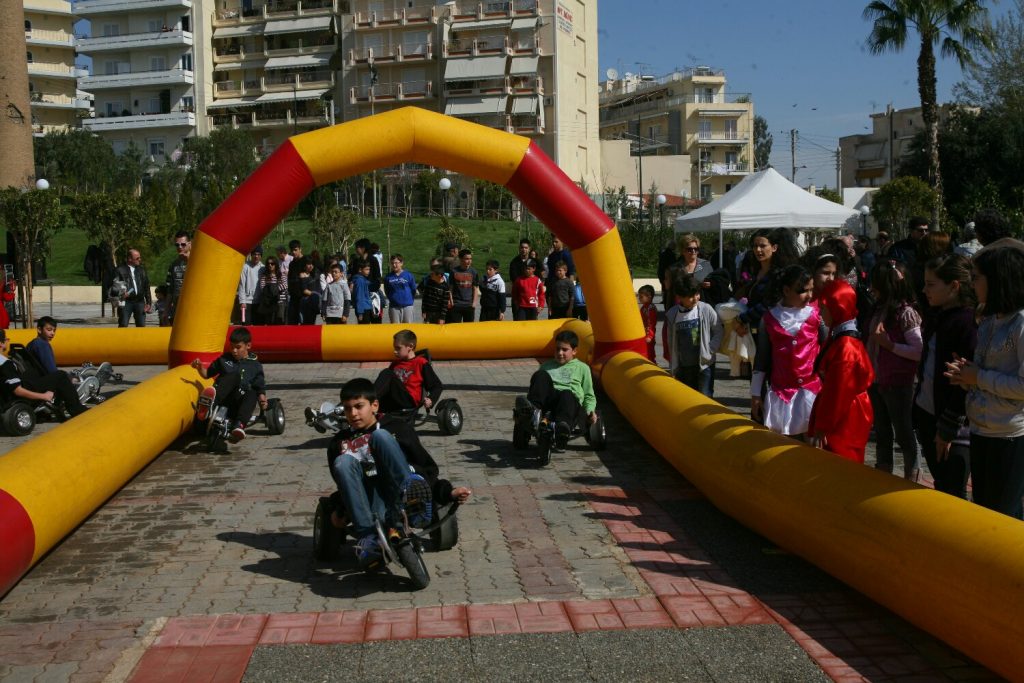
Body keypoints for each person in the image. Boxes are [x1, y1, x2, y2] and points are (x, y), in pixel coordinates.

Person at [326, 377, 472, 566]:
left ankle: (412, 501)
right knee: (343, 461)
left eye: (359, 406)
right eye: (347, 408)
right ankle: (369, 538)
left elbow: (426, 468)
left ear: (374, 405)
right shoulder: (339, 443)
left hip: (399, 492)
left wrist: (447, 492)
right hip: (369, 500)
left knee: (380, 436)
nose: (353, 413)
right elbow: (344, 486)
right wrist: (338, 511)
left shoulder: (397, 428)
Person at [946, 246, 1024, 519]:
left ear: (998, 279)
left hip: (1010, 434)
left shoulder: (1021, 324)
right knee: (986, 510)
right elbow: (986, 372)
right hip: (981, 430)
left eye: (977, 277)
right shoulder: (990, 321)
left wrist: (978, 376)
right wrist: (966, 375)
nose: (972, 283)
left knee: (1005, 515)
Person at [914, 254, 975, 499]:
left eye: (931, 284)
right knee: (943, 486)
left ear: (954, 286)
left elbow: (963, 383)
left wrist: (948, 428)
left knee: (953, 491)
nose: (924, 290)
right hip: (929, 415)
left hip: (952, 427)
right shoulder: (938, 316)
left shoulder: (966, 323)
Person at [750, 265, 824, 437]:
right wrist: (755, 394)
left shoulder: (816, 316)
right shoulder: (769, 319)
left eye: (812, 290)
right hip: (781, 395)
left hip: (811, 393)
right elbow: (761, 359)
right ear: (786, 290)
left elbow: (827, 351)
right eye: (804, 291)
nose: (810, 296)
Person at [866, 260, 923, 480]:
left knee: (904, 432)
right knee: (881, 430)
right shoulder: (878, 309)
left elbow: (918, 350)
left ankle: (912, 475)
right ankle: (883, 472)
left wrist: (889, 345)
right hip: (877, 380)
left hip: (899, 382)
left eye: (876, 284)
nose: (871, 288)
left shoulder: (906, 313)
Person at [808, 279, 874, 463]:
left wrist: (823, 426)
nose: (821, 313)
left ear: (836, 308)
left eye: (824, 308)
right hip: (844, 408)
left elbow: (838, 391)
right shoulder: (840, 337)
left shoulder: (846, 347)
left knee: (841, 458)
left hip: (846, 414)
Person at [191, 327, 267, 443]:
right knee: (234, 376)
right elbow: (207, 374)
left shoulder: (255, 366)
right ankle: (209, 407)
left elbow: (259, 386)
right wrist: (200, 367)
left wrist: (263, 400)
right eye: (232, 347)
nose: (234, 351)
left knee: (252, 392)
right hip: (222, 398)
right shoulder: (224, 359)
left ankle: (239, 426)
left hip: (237, 403)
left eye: (238, 347)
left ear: (248, 346)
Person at [527, 330, 597, 446]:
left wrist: (590, 412)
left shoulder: (582, 368)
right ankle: (533, 412)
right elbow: (538, 388)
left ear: (574, 351)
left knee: (567, 393)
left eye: (564, 350)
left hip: (569, 403)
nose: (560, 353)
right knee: (540, 375)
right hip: (548, 402)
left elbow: (589, 395)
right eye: (557, 349)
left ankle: (562, 429)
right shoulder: (546, 366)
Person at [0, 329, 87, 418]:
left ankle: (55, 404)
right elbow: (18, 391)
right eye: (6, 339)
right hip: (18, 397)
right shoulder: (5, 364)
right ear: (1, 343)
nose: (8, 341)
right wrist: (43, 396)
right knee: (60, 375)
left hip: (6, 395)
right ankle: (76, 410)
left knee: (33, 374)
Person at [663, 275, 724, 398]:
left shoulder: (706, 309)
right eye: (690, 296)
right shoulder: (673, 315)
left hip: (705, 365)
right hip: (684, 366)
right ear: (679, 297)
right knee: (688, 397)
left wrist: (710, 350)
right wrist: (673, 366)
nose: (695, 298)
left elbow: (718, 331)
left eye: (697, 294)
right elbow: (671, 342)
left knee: (705, 396)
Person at [374, 329, 443, 414]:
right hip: (394, 400)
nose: (394, 351)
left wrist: (431, 399)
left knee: (386, 373)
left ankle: (368, 401)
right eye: (394, 348)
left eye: (398, 348)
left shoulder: (420, 362)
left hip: (409, 401)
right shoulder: (395, 364)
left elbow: (437, 386)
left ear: (410, 346)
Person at [663, 233, 713, 307]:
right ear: (683, 251)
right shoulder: (674, 269)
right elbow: (670, 293)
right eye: (689, 249)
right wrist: (669, 312)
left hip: (702, 307)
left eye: (696, 249)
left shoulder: (706, 265)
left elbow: (714, 284)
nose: (693, 251)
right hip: (681, 309)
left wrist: (711, 284)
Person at [115, 248, 151, 328]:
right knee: (123, 324)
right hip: (126, 302)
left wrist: (148, 302)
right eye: (137, 258)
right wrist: (120, 294)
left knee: (141, 325)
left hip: (140, 301)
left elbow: (146, 286)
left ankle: (140, 340)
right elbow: (114, 286)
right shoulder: (120, 270)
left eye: (140, 257)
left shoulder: (141, 270)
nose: (140, 260)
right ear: (129, 259)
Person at [165, 231, 190, 323]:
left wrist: (189, 260)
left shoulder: (198, 260)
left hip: (194, 308)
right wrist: (166, 311)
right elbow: (170, 289)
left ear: (189, 244)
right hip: (178, 309)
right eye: (177, 245)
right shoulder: (174, 265)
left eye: (183, 244)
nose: (180, 247)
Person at [384, 254, 417, 323]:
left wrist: (408, 299)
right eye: (392, 263)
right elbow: (387, 291)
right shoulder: (388, 277)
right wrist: (393, 299)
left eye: (396, 263)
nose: (394, 265)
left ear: (401, 263)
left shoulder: (408, 275)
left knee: (407, 328)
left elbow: (413, 289)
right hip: (394, 307)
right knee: (395, 329)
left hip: (407, 306)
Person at [448, 249, 479, 323]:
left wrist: (474, 303)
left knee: (468, 330)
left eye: (470, 259)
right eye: (467, 259)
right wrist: (451, 300)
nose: (469, 261)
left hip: (469, 305)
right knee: (455, 329)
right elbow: (450, 288)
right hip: (456, 304)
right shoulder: (453, 271)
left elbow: (475, 288)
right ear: (461, 259)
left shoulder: (474, 272)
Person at [237, 245, 264, 325]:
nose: (256, 256)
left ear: (261, 256)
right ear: (251, 255)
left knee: (258, 325)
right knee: (246, 324)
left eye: (258, 254)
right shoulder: (245, 267)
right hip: (247, 301)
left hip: (259, 302)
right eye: (254, 254)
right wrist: (242, 301)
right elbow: (242, 285)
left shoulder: (263, 268)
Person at [256, 256, 287, 325]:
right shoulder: (264, 276)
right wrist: (273, 290)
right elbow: (262, 288)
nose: (270, 265)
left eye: (272, 263)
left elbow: (285, 285)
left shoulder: (281, 274)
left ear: (276, 264)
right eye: (268, 264)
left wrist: (272, 289)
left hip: (280, 301)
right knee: (269, 321)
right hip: (269, 302)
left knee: (279, 321)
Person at [508, 239, 532, 320]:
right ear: (519, 248)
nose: (524, 249)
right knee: (518, 320)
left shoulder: (533, 262)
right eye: (522, 247)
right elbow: (514, 279)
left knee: (531, 322)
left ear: (529, 249)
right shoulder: (514, 262)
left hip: (531, 297)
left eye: (526, 248)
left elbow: (537, 278)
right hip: (518, 297)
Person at [350, 259, 377, 325]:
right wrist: (360, 313)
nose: (368, 271)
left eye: (369, 269)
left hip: (366, 307)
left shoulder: (363, 280)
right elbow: (359, 297)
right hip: (363, 309)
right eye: (366, 269)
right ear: (360, 270)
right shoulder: (360, 281)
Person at [638, 284, 658, 363]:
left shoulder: (651, 308)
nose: (639, 299)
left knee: (650, 353)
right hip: (644, 334)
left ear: (649, 296)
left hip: (648, 335)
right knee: (645, 352)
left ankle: (652, 364)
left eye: (641, 297)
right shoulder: (644, 308)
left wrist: (650, 336)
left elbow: (652, 323)